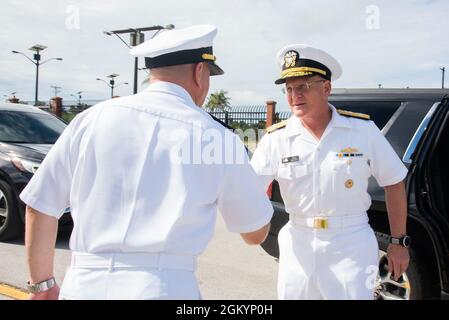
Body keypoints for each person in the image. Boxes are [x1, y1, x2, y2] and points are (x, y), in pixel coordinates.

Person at [21, 24, 273, 300]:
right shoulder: (217, 138)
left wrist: (41, 286)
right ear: (199, 72)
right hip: (164, 289)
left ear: (153, 72)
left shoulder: (91, 119)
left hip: (83, 285)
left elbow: (40, 206)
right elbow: (254, 233)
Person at [250, 44, 410, 300]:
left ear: (327, 88)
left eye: (303, 86)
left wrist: (398, 242)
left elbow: (394, 182)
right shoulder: (276, 139)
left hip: (351, 243)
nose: (294, 96)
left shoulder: (362, 131)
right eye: (289, 89)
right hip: (297, 242)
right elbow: (249, 190)